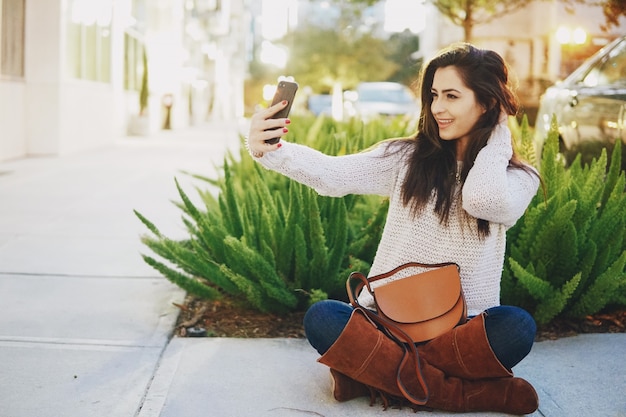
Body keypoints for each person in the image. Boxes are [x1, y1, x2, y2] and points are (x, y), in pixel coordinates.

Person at [246, 42, 541, 414]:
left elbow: (480, 200)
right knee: (323, 317)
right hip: (388, 322)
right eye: (433, 95)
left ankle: (370, 372)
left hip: (461, 329)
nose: (437, 108)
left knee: (516, 327)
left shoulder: (518, 178)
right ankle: (464, 394)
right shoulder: (407, 158)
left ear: (486, 102)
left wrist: (498, 133)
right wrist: (270, 149)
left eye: (451, 96)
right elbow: (333, 175)